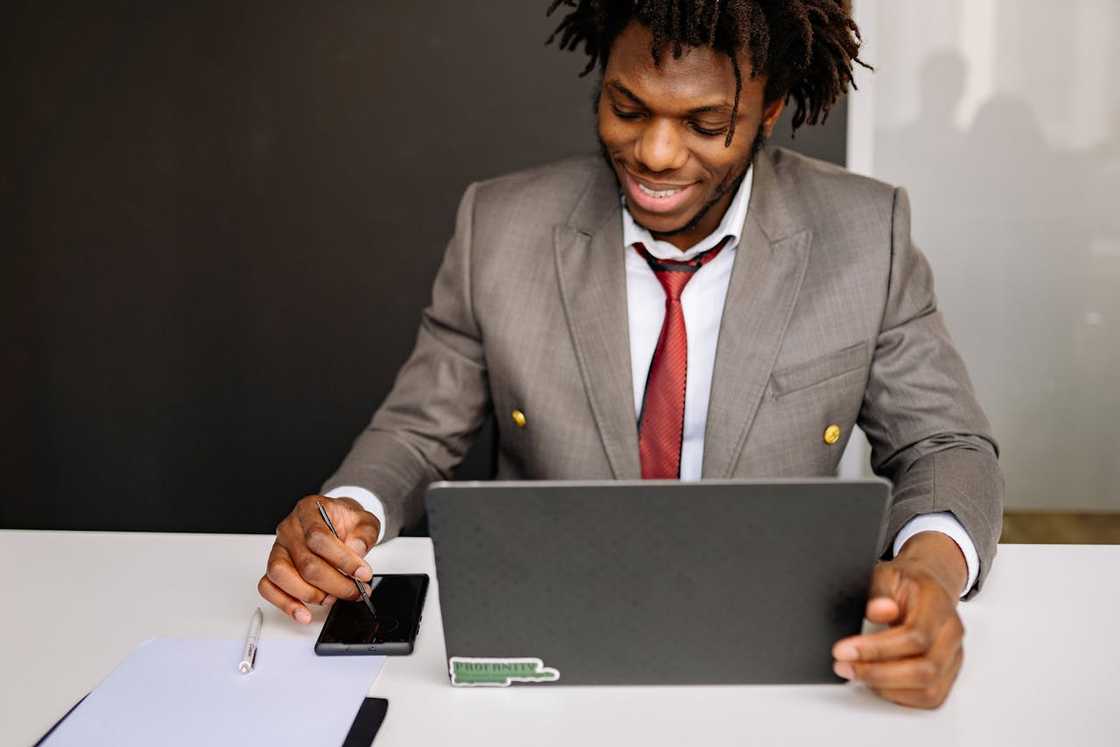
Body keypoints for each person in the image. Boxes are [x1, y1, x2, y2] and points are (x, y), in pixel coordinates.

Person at [258, 0, 1003, 709]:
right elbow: (418, 431)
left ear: (769, 108)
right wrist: (347, 509)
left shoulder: (867, 234)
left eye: (706, 123)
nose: (654, 153)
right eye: (627, 107)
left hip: (776, 663)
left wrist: (927, 571)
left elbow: (946, 444)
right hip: (551, 650)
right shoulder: (500, 226)